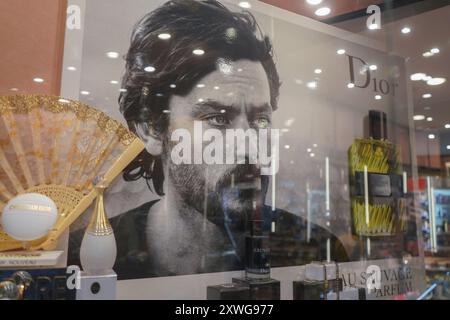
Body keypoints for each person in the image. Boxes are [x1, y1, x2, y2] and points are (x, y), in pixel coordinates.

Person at [69, 0, 348, 280]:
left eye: (260, 120)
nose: (248, 145)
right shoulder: (89, 259)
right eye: (218, 118)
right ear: (152, 130)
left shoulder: (317, 253)